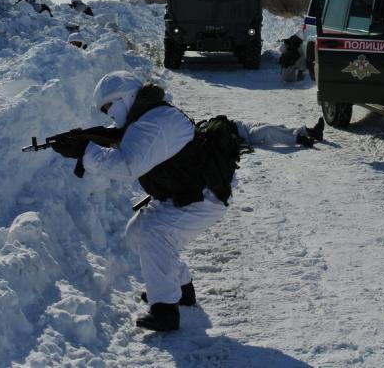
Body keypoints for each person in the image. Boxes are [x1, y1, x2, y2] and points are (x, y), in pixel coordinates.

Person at [51, 71, 232, 332]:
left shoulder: (154, 122)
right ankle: (180, 289)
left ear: (124, 98)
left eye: (108, 107)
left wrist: (85, 150)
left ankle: (165, 311)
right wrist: (92, 141)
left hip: (204, 197)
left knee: (153, 234)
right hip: (186, 193)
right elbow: (128, 141)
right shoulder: (149, 116)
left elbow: (127, 166)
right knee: (137, 233)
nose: (109, 115)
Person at [235, 117, 324, 148]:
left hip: (248, 125)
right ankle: (300, 140)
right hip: (249, 136)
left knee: (279, 128)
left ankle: (311, 132)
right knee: (269, 130)